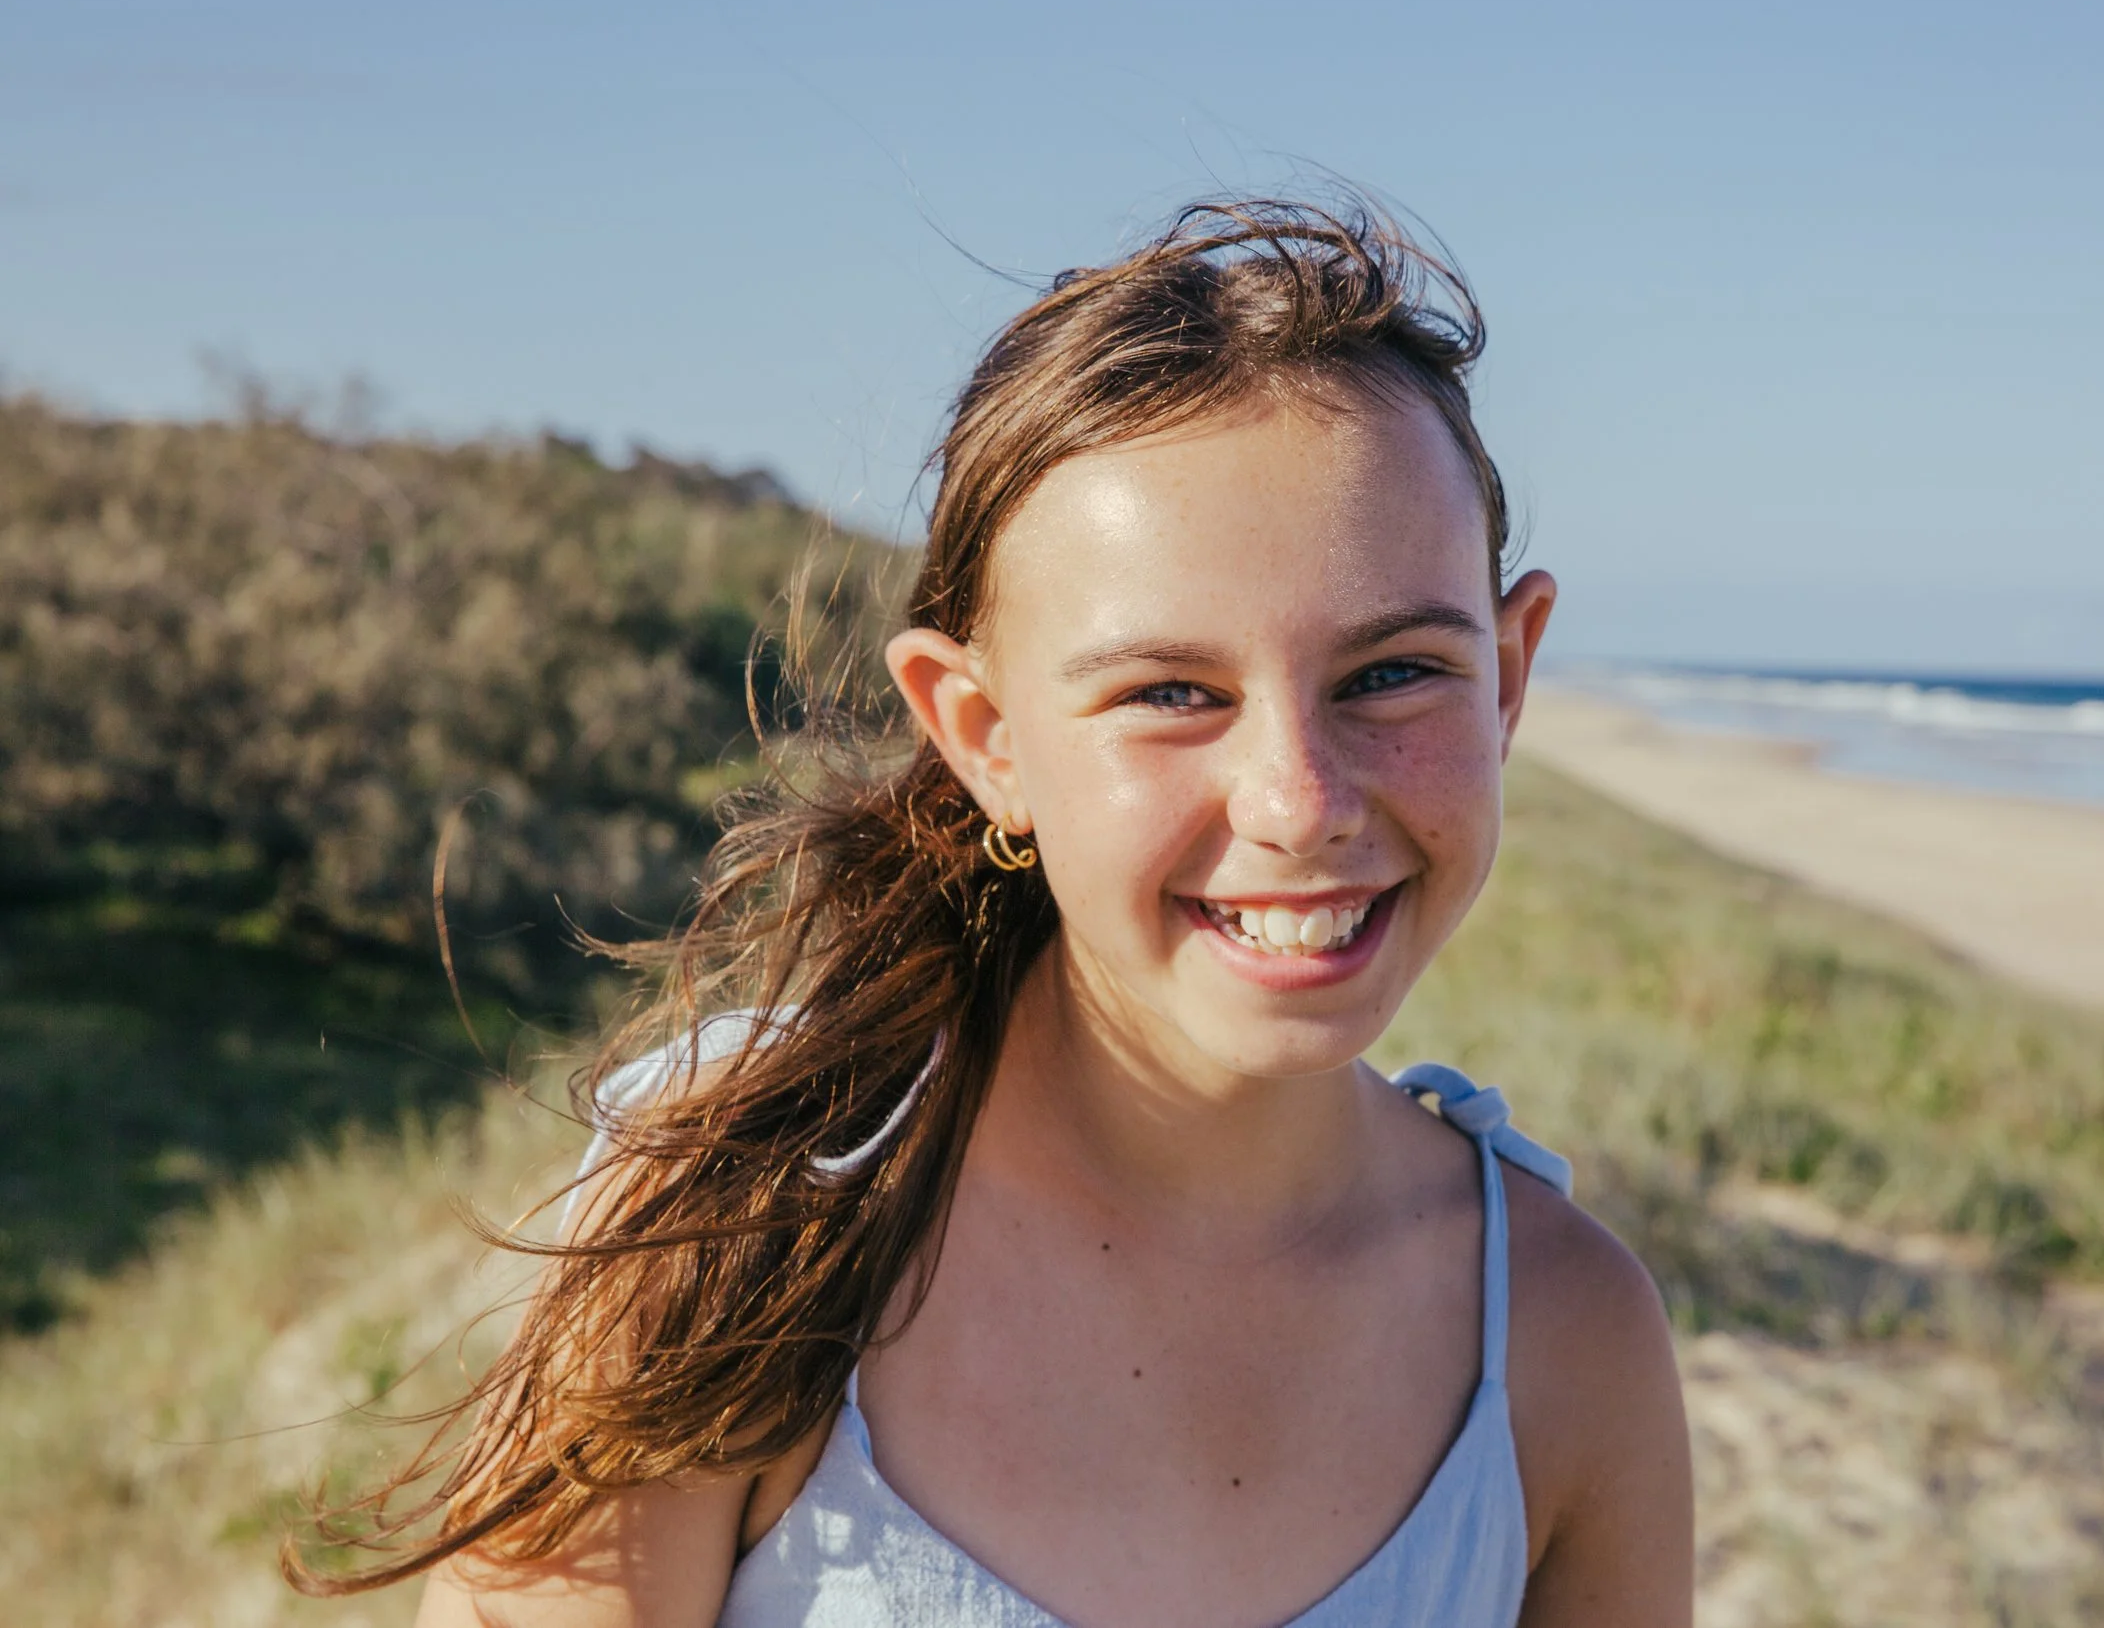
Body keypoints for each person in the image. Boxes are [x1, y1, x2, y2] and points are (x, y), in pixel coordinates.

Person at [305, 196, 1692, 1626]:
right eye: (1171, 693)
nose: (1299, 800)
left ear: (1511, 677)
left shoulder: (1561, 1342)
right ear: (983, 733)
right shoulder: (748, 1234)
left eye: (1393, 673)